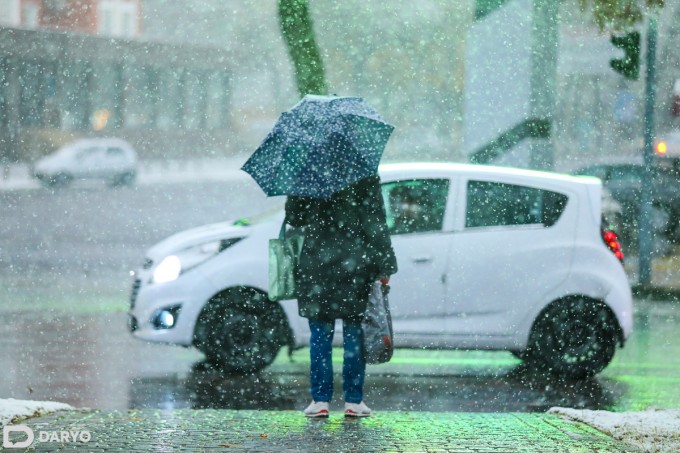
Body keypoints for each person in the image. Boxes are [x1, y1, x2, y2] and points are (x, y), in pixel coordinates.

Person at [284, 174, 398, 418]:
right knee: (355, 333)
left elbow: (294, 217)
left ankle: (320, 400)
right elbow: (375, 222)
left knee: (320, 336)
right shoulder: (362, 173)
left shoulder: (307, 172)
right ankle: (354, 401)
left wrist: (297, 193)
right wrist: (384, 266)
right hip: (355, 265)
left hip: (316, 265)